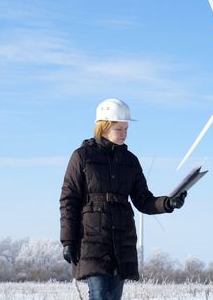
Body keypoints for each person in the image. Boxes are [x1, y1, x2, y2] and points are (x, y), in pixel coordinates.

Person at [59, 98, 187, 300]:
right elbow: (69, 200)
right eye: (119, 129)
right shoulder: (81, 156)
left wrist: (168, 203)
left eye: (126, 129)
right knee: (99, 295)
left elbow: (143, 199)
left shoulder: (131, 161)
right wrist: (68, 240)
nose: (124, 133)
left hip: (122, 241)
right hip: (91, 240)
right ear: (104, 126)